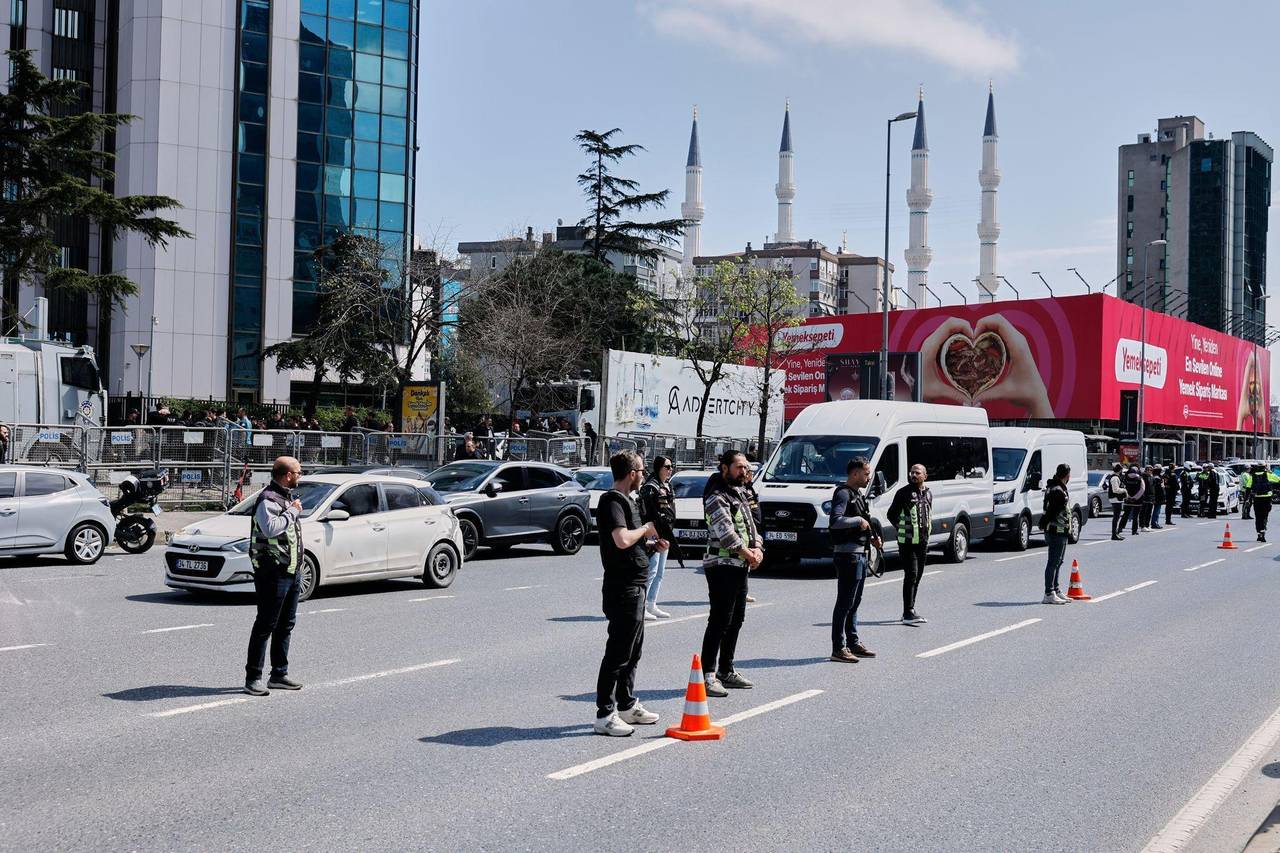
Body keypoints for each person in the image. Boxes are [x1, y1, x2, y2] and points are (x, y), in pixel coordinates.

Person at [593, 450, 666, 736]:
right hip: (622, 588)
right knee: (618, 653)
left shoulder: (628, 501)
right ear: (632, 473)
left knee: (633, 651)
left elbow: (630, 545)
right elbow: (621, 540)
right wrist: (645, 529)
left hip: (636, 585)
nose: (644, 475)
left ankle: (626, 705)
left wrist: (650, 546)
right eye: (642, 470)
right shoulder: (612, 501)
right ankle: (604, 714)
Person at [701, 450, 763, 698]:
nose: (744, 471)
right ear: (724, 468)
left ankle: (726, 669)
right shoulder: (716, 496)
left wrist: (758, 548)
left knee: (736, 619)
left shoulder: (740, 493)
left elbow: (752, 526)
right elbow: (726, 533)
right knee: (719, 620)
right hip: (721, 564)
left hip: (740, 564)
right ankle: (708, 675)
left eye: (746, 467)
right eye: (739, 467)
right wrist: (749, 553)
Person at [244, 456, 305, 696]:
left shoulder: (285, 497)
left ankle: (279, 674)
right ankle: (253, 678)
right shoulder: (268, 499)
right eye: (298, 472)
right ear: (288, 475)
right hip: (272, 572)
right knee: (265, 625)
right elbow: (270, 528)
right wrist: (293, 512)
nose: (300, 476)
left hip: (291, 571)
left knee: (286, 625)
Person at [828, 457, 881, 661]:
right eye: (866, 474)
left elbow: (864, 521)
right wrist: (858, 520)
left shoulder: (857, 494)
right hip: (847, 555)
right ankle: (838, 648)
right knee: (845, 602)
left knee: (855, 602)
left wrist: (873, 537)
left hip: (859, 553)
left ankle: (853, 642)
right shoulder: (842, 493)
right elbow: (836, 521)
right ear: (855, 473)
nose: (869, 477)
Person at [887, 463, 933, 625]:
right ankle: (908, 612)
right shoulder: (903, 493)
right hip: (907, 543)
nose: (913, 475)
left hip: (923, 542)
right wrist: (901, 528)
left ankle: (910, 610)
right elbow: (891, 514)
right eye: (912, 472)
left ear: (925, 476)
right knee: (911, 574)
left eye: (917, 473)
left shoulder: (928, 493)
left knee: (918, 576)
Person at [638, 456, 677, 620]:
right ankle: (640, 606)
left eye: (671, 466)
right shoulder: (650, 487)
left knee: (660, 572)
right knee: (651, 571)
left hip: (665, 534)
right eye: (667, 467)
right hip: (654, 534)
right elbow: (646, 512)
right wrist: (652, 534)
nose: (670, 470)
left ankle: (651, 604)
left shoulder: (667, 486)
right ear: (658, 468)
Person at [1041, 463, 1073, 604]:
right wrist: (1044, 524)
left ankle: (1056, 590)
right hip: (1056, 530)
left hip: (1059, 530)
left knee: (1058, 562)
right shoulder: (1058, 491)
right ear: (1067, 475)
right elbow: (1051, 512)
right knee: (1053, 562)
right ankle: (1049, 593)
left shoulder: (1054, 487)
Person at [742, 465, 762, 604]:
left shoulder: (750, 488)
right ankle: (742, 592)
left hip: (754, 528)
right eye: (750, 472)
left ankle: (744, 591)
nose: (751, 475)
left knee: (746, 565)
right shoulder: (741, 489)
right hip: (746, 530)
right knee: (744, 562)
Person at [1250, 464, 1277, 542]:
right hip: (1266, 498)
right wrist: (1270, 472)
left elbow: (1248, 487)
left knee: (1258, 516)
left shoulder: (1252, 476)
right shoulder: (1268, 475)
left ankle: (1259, 533)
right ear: (1265, 467)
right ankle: (1263, 531)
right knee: (1264, 516)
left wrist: (1247, 499)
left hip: (1257, 498)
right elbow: (1278, 479)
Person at [1120, 465, 1146, 536]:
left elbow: (1123, 488)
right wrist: (1135, 497)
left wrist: (1128, 497)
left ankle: (1120, 528)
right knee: (1135, 516)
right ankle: (1134, 531)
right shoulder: (1140, 479)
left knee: (1125, 514)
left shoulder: (1125, 478)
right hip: (1137, 500)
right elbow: (1142, 489)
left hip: (1127, 500)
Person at [1106, 463, 1127, 541]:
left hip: (1117, 499)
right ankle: (1114, 534)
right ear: (1120, 470)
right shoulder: (1115, 478)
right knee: (1116, 517)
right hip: (1115, 499)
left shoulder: (1116, 477)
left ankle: (1115, 534)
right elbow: (1115, 490)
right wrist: (1124, 490)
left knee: (1117, 517)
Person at [1148, 465, 1165, 530]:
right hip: (1157, 497)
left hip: (1154, 496)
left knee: (1152, 511)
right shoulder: (1157, 478)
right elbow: (1160, 489)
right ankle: (1154, 523)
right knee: (1156, 511)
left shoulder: (1153, 477)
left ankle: (1152, 523)